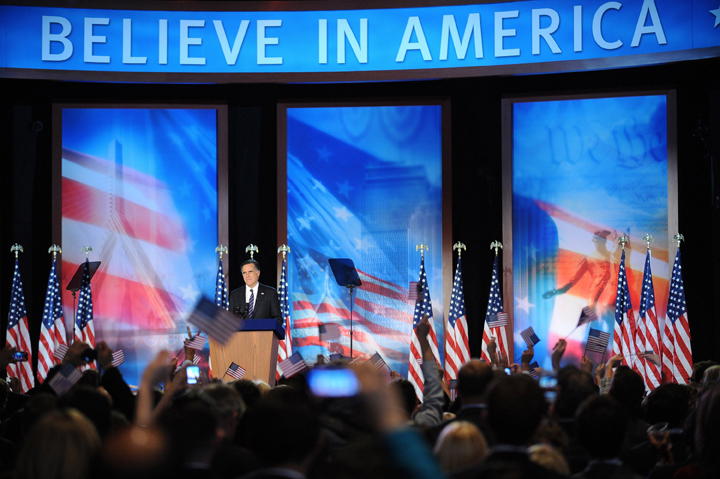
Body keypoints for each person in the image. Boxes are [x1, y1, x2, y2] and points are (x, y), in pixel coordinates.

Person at [229, 260, 282, 324]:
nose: (247, 276)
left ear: (258, 273)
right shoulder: (234, 295)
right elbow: (230, 320)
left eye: (250, 272)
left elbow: (278, 319)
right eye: (244, 273)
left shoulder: (270, 293)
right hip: (242, 333)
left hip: (264, 333)